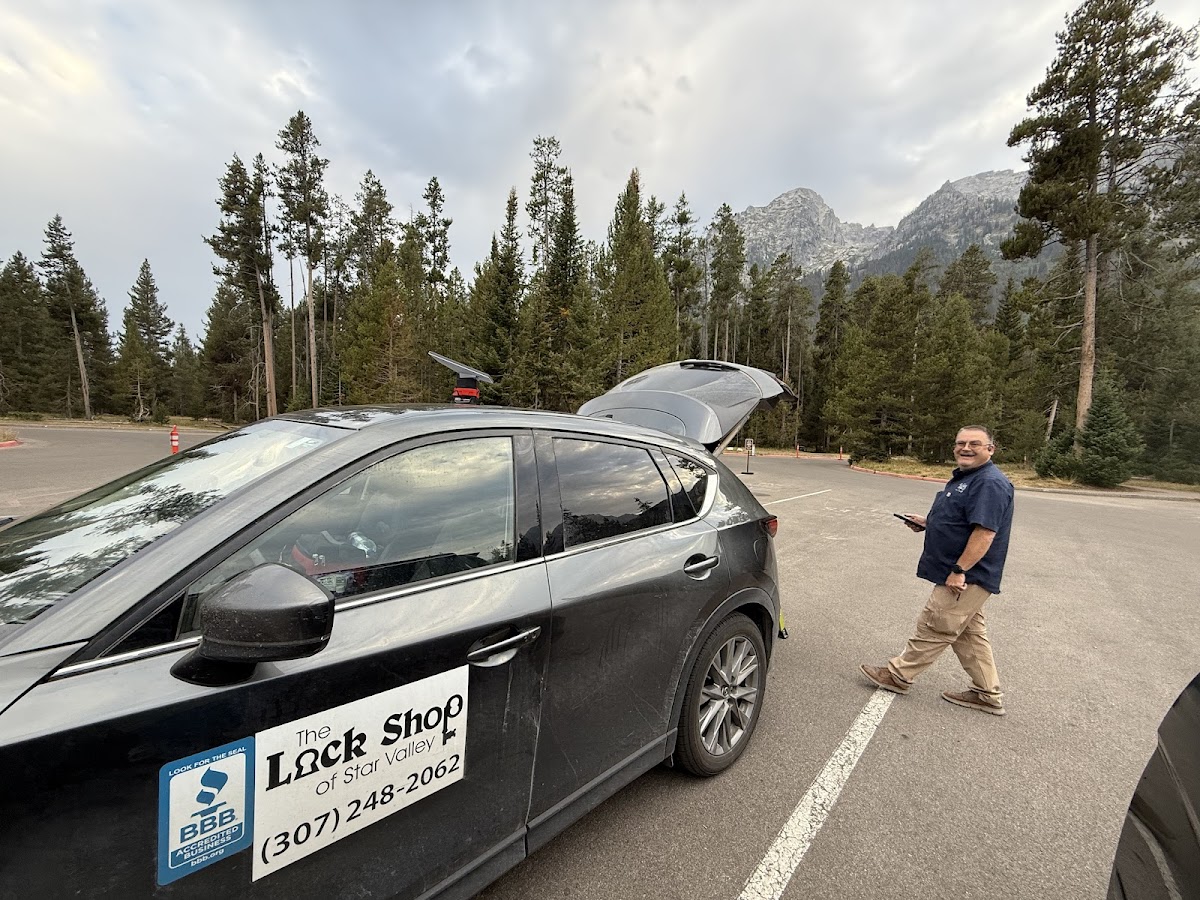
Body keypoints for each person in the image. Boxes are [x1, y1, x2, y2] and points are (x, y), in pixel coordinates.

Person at [860, 425, 1015, 716]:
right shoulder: (969, 478)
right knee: (970, 635)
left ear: (991, 449)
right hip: (963, 574)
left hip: (966, 576)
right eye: (960, 443)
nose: (965, 448)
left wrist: (959, 569)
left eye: (974, 444)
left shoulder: (989, 483)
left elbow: (984, 533)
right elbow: (962, 522)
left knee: (935, 625)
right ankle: (987, 694)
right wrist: (929, 523)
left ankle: (898, 675)